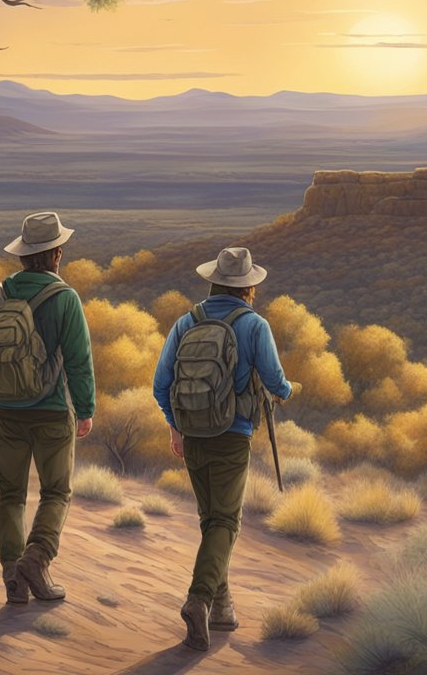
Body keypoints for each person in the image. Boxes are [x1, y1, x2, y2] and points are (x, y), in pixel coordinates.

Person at [152, 246, 296, 651]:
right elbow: (274, 379)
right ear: (248, 288)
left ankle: (222, 606)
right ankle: (199, 600)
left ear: (213, 280)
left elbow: (160, 384)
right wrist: (288, 391)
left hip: (194, 435)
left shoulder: (186, 322)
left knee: (211, 519)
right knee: (225, 523)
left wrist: (175, 426)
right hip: (233, 436)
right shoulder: (254, 325)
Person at [0, 212, 95, 605]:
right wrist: (85, 409)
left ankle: (13, 576)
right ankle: (37, 558)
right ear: (56, 254)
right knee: (56, 491)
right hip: (50, 411)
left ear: (24, 254)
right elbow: (79, 360)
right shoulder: (65, 298)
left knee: (9, 495)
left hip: (6, 410)